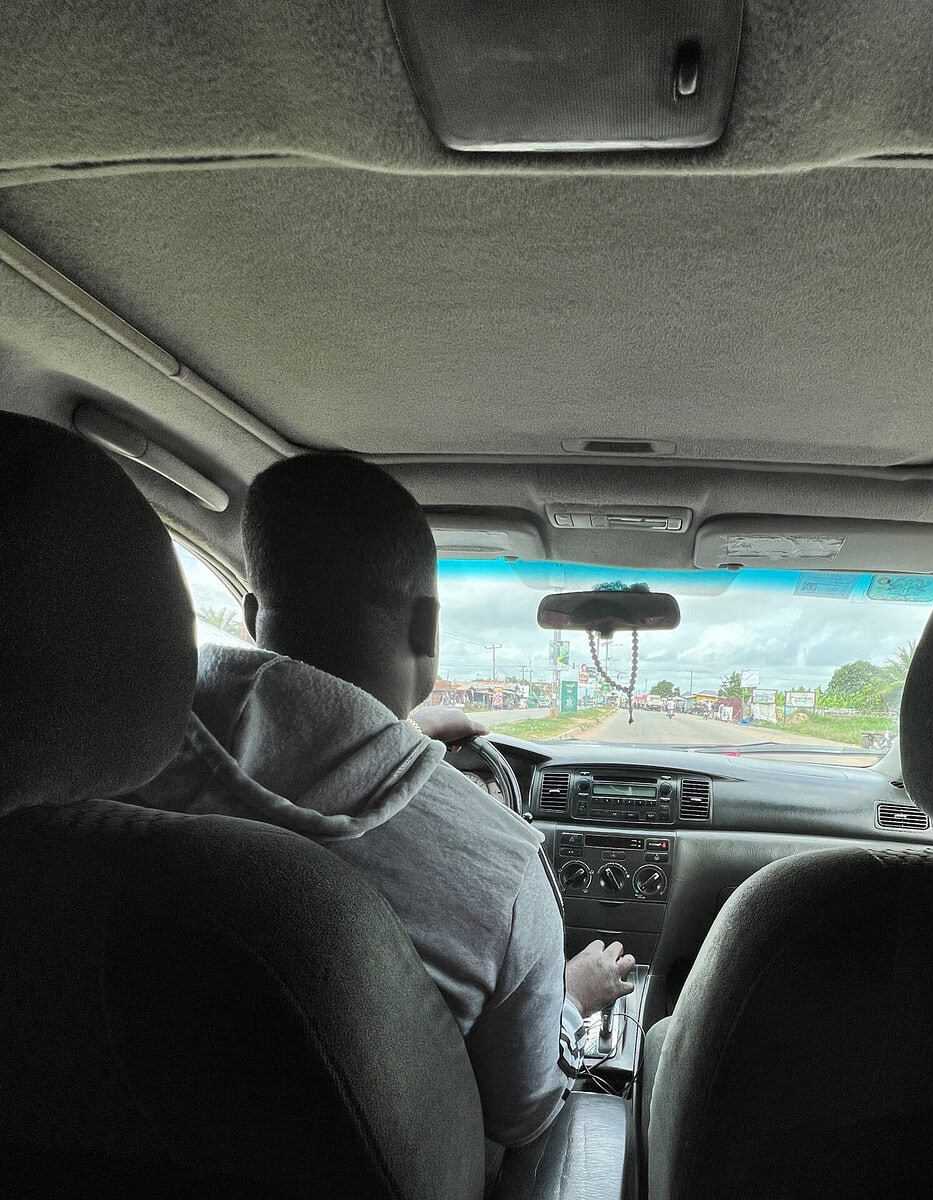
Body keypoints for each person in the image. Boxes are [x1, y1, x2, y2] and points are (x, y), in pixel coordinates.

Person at [131, 453, 635, 1148]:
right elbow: (523, 1118)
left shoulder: (100, 771)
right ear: (428, 628)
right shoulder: (502, 868)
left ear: (252, 616)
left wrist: (384, 737)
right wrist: (573, 998)